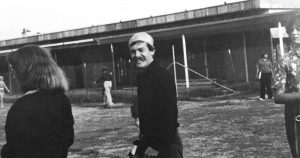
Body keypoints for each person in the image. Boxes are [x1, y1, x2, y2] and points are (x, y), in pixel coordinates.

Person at [1, 45, 74, 158]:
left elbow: (14, 150)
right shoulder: (62, 100)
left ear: (26, 71)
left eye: (15, 69)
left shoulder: (21, 107)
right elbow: (68, 139)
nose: (14, 75)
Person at [128, 32, 183, 158]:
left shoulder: (161, 75)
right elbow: (146, 118)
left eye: (141, 50)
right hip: (151, 141)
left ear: (152, 51)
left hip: (166, 143)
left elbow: (169, 115)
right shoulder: (143, 77)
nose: (137, 55)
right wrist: (141, 143)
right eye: (133, 51)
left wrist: (155, 146)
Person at [273, 12, 300, 158]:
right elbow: (278, 96)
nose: (294, 32)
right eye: (292, 29)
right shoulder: (284, 61)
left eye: (299, 28)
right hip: (295, 115)